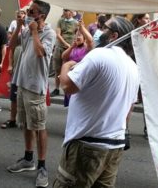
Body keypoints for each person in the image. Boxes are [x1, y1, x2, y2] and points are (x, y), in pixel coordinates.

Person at [54, 17, 140, 188]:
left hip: (87, 144)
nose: (98, 31)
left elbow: (67, 86)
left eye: (103, 27)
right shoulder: (133, 66)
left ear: (114, 35)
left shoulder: (99, 55)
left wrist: (66, 66)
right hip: (115, 145)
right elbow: (128, 111)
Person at [7, 0, 56, 188]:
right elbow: (11, 45)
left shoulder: (49, 33)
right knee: (26, 124)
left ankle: (42, 167)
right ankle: (28, 158)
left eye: (32, 11)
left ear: (41, 15)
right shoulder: (26, 29)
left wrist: (35, 31)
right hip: (22, 82)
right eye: (28, 10)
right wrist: (20, 26)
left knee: (39, 126)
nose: (28, 13)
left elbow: (40, 53)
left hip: (36, 87)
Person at [60, 19, 94, 106]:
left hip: (80, 79)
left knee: (78, 103)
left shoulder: (87, 48)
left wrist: (82, 28)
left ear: (84, 38)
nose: (78, 37)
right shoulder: (73, 48)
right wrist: (71, 47)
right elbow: (63, 56)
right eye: (76, 35)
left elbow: (90, 40)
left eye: (80, 35)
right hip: (70, 79)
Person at [51, 9, 77, 97]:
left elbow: (77, 34)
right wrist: (66, 44)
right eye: (65, 10)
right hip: (60, 47)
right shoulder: (60, 21)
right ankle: (57, 88)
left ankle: (68, 89)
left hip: (71, 48)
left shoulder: (76, 23)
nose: (66, 12)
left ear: (72, 12)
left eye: (68, 11)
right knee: (57, 68)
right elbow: (58, 34)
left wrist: (73, 45)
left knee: (70, 68)